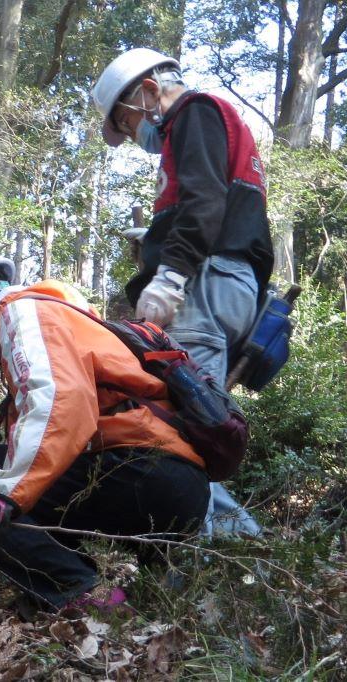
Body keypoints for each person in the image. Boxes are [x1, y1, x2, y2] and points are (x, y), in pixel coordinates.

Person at [0, 240, 211, 613]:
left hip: (145, 471)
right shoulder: (55, 314)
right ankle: (116, 593)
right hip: (162, 480)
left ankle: (89, 597)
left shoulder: (23, 313)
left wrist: (6, 491)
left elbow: (60, 405)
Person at [94, 48, 273, 537]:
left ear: (148, 91)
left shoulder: (193, 112)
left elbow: (204, 200)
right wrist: (155, 239)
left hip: (206, 284)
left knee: (190, 428)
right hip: (226, 283)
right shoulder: (205, 124)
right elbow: (207, 199)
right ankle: (234, 543)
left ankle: (219, 552)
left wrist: (170, 273)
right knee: (196, 417)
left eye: (129, 124)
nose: (136, 137)